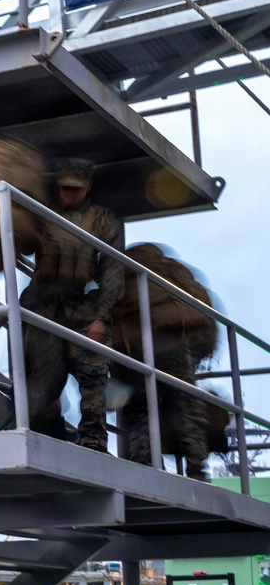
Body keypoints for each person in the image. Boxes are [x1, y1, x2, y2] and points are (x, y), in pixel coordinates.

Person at [22, 159, 125, 452]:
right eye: (65, 188)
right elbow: (20, 241)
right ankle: (41, 435)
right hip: (44, 304)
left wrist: (102, 317)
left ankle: (93, 440)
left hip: (83, 306)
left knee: (92, 373)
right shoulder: (44, 214)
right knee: (40, 380)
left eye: (76, 189)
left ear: (88, 187)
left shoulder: (104, 221)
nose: (70, 194)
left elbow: (113, 273)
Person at [112, 243, 219, 481]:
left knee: (139, 407)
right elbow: (202, 317)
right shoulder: (169, 275)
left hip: (132, 346)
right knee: (185, 404)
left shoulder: (120, 271)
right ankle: (196, 469)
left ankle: (144, 463)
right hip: (172, 343)